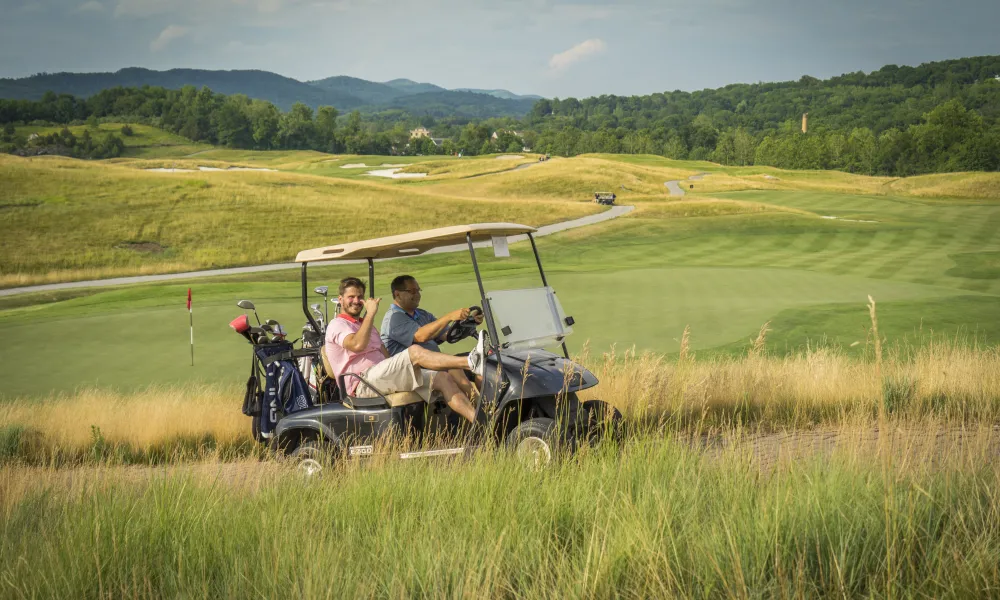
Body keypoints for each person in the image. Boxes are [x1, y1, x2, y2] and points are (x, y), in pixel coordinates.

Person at [325, 277, 485, 424]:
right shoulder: (337, 325)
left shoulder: (367, 326)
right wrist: (371, 313)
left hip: (380, 377)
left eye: (360, 297)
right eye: (351, 297)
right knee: (415, 351)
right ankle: (470, 362)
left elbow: (384, 355)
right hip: (362, 383)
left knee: (443, 377)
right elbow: (357, 345)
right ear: (340, 300)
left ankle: (482, 423)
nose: (356, 301)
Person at [380, 275, 483, 399]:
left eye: (418, 290)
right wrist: (449, 317)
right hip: (410, 370)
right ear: (397, 294)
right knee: (454, 367)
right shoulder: (394, 318)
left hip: (432, 363)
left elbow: (447, 335)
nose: (417, 294)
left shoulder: (422, 314)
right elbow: (420, 336)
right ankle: (481, 408)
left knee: (484, 365)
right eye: (412, 291)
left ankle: (493, 405)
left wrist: (470, 323)